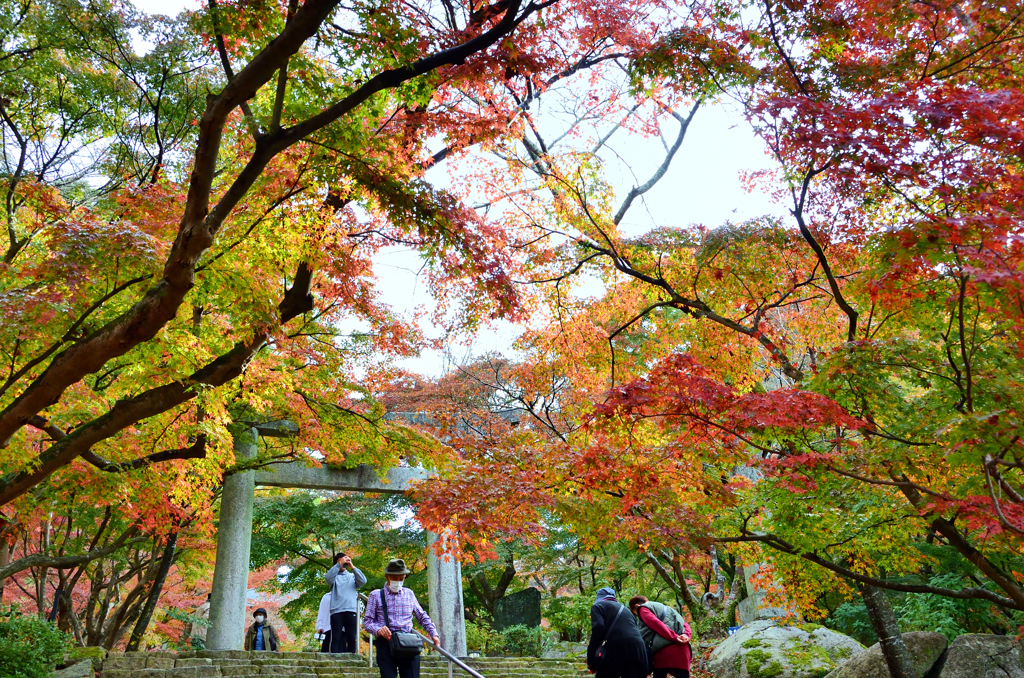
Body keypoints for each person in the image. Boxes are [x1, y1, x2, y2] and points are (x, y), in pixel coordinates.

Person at [362, 558, 441, 678]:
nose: (399, 581)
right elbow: (367, 621)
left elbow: (422, 616)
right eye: (395, 578)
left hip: (408, 642)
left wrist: (433, 633)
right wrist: (378, 629)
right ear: (387, 576)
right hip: (386, 642)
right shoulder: (376, 595)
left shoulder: (409, 594)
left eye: (402, 578)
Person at [587, 587, 649, 678]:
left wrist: (591, 660)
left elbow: (598, 627)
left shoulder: (598, 606)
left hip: (616, 646)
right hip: (638, 648)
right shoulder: (626, 610)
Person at [629, 595, 692, 678]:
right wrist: (686, 635)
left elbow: (656, 624)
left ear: (637, 606)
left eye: (636, 613)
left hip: (663, 652)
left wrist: (674, 637)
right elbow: (685, 624)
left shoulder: (643, 608)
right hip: (683, 652)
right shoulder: (670, 610)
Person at [325, 551, 368, 653]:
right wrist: (338, 564)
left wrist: (352, 566)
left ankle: (352, 660)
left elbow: (363, 581)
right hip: (336, 610)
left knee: (351, 638)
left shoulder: (352, 576)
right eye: (342, 560)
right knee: (336, 637)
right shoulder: (333, 577)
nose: (344, 563)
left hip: (351, 609)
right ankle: (333, 659)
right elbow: (327, 578)